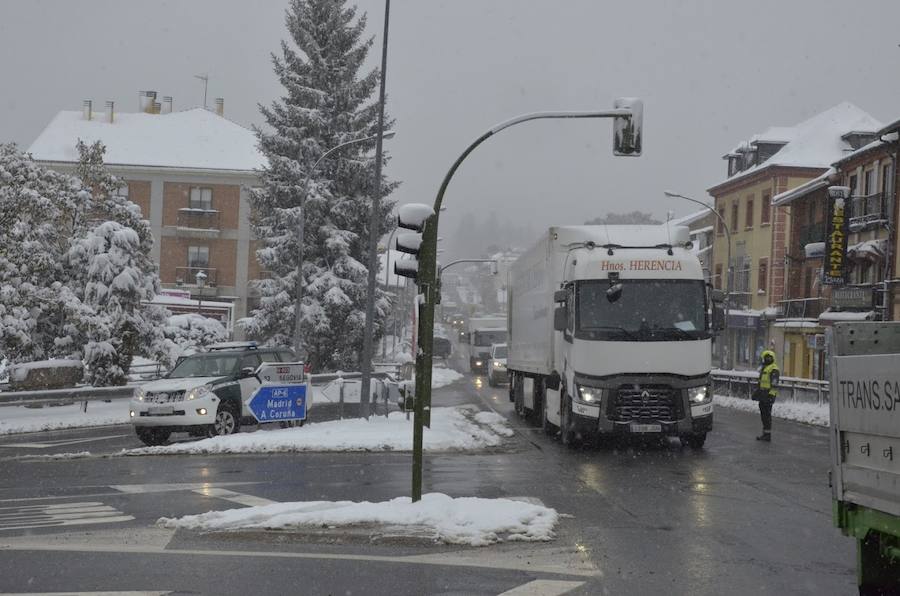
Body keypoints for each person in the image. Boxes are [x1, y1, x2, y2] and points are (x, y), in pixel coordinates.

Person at [753, 349, 780, 441]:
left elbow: (774, 383)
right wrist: (757, 392)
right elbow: (761, 382)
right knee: (763, 415)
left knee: (767, 415)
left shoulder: (773, 369)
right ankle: (765, 433)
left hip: (768, 395)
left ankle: (767, 435)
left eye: (769, 358)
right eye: (766, 357)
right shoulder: (764, 368)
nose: (767, 359)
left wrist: (771, 395)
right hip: (763, 395)